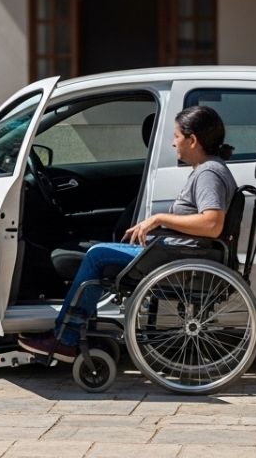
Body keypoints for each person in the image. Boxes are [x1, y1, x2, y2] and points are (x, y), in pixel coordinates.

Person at [18, 105, 237, 362]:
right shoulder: (207, 169)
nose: (172, 143)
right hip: (175, 252)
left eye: (176, 136)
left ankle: (66, 338)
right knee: (101, 253)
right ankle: (74, 331)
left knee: (98, 255)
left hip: (180, 256)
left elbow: (212, 224)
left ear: (193, 140)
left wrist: (158, 219)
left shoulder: (209, 173)